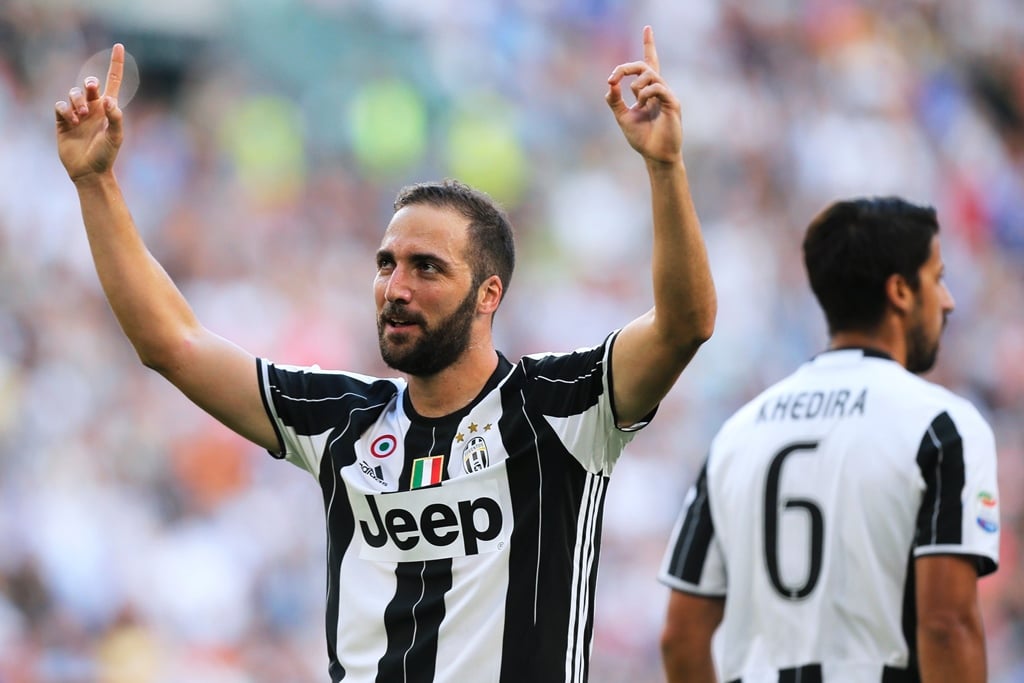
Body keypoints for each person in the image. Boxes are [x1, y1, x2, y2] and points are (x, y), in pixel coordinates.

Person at [55, 26, 716, 683]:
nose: (396, 289)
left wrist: (664, 167)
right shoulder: (340, 418)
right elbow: (172, 343)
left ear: (489, 294)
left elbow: (684, 325)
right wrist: (96, 184)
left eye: (427, 267)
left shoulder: (562, 406)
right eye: (386, 264)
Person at [658, 197, 1000, 683]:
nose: (948, 300)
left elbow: (681, 634)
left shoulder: (738, 433)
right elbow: (947, 624)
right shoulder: (944, 426)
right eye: (938, 278)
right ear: (900, 291)